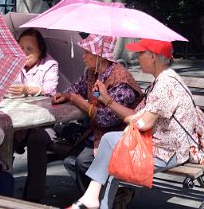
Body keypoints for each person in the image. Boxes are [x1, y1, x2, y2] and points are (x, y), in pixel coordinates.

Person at [67, 38, 204, 209]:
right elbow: (137, 116)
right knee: (111, 151)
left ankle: (91, 198)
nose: (137, 57)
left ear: (153, 57)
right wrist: (106, 99)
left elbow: (142, 124)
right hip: (159, 144)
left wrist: (127, 120)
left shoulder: (166, 84)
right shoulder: (162, 80)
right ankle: (92, 199)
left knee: (111, 149)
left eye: (141, 53)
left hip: (167, 152)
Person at [40, 35, 141, 199]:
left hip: (118, 135)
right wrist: (65, 95)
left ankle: (99, 200)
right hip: (96, 133)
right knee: (70, 160)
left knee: (82, 162)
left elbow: (105, 119)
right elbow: (75, 88)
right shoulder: (92, 73)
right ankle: (108, 197)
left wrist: (77, 100)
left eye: (87, 52)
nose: (83, 56)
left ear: (100, 56)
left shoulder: (121, 80)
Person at [7, 28, 59, 98]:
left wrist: (28, 90)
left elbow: (50, 91)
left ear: (40, 50)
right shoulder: (13, 61)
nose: (24, 53)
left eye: (29, 49)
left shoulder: (50, 65)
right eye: (21, 48)